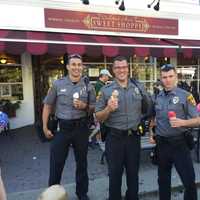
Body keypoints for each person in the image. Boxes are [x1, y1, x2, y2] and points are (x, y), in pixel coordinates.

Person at [95, 56, 152, 200]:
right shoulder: (105, 90)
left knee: (133, 174)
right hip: (114, 139)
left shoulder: (138, 88)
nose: (121, 70)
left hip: (133, 138)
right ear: (113, 70)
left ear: (128, 69)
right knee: (115, 175)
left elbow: (148, 109)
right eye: (118, 67)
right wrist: (108, 109)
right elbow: (98, 117)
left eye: (124, 67)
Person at [42, 54, 96, 200]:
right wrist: (45, 127)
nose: (76, 67)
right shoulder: (57, 84)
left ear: (82, 67)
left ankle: (82, 193)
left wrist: (84, 106)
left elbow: (93, 108)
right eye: (73, 64)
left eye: (79, 64)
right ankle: (52, 196)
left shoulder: (88, 86)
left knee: (82, 164)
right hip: (62, 129)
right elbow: (47, 105)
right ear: (67, 67)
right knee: (56, 164)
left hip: (81, 128)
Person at [149, 64, 198, 200]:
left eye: (170, 76)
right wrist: (151, 133)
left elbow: (198, 120)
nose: (167, 80)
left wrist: (183, 123)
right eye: (164, 77)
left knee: (189, 182)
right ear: (161, 79)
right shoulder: (157, 97)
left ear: (176, 77)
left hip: (180, 144)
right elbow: (153, 118)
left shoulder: (186, 96)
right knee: (163, 182)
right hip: (162, 144)